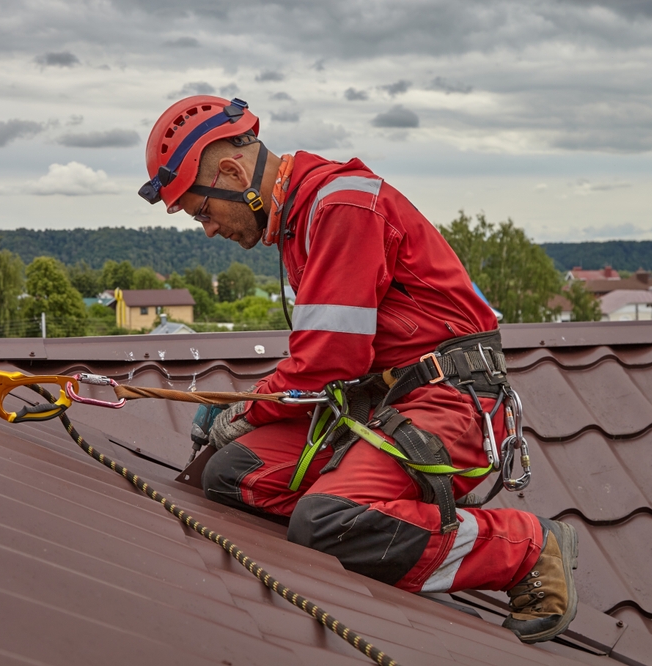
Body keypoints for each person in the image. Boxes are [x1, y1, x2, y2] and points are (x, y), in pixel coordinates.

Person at [139, 95, 578, 643]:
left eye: (202, 210)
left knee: (324, 521)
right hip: (384, 404)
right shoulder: (307, 216)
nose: (207, 229)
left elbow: (327, 360)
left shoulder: (342, 207)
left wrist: (246, 409)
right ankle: (373, 508)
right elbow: (330, 361)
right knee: (229, 474)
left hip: (447, 403)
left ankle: (526, 549)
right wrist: (251, 414)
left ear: (231, 171)